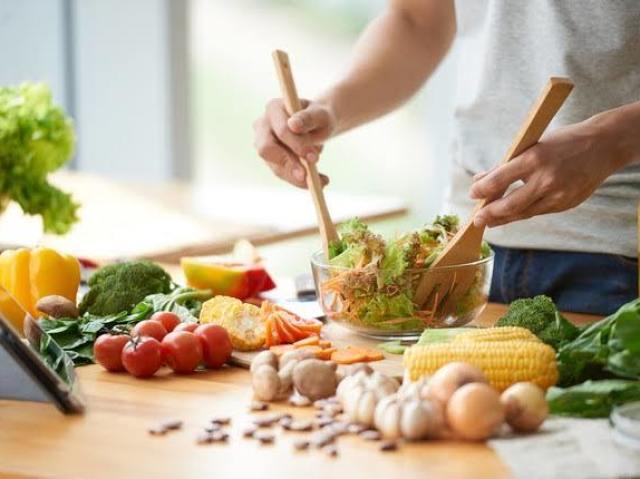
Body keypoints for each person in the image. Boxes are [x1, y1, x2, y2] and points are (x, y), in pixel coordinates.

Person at [253, 0, 640, 315]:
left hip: (619, 249)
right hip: (463, 250)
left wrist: (612, 141)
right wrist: (330, 108)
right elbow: (417, 20)